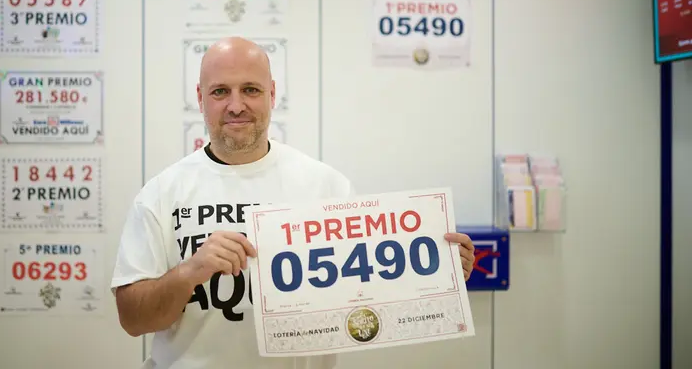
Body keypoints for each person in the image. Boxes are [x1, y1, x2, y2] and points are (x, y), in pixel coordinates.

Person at [110, 37, 476, 369]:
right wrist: (190, 272)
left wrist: (436, 271)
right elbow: (133, 320)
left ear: (271, 94)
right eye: (221, 91)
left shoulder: (326, 185)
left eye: (250, 89)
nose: (236, 105)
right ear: (200, 97)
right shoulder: (161, 194)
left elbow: (368, 292)